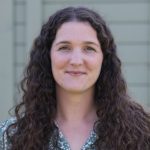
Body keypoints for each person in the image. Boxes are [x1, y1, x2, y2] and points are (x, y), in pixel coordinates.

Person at [0, 6, 150, 150]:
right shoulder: (9, 137)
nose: (76, 61)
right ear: (47, 57)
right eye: (64, 48)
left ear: (104, 59)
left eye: (89, 48)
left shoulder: (142, 134)